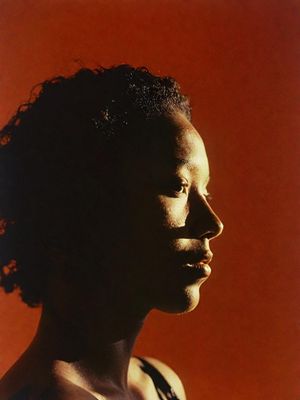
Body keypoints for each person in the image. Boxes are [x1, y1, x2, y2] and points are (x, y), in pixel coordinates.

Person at [0, 65, 223, 400]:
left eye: (205, 192)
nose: (213, 224)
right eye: (177, 186)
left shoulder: (159, 383)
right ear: (80, 205)